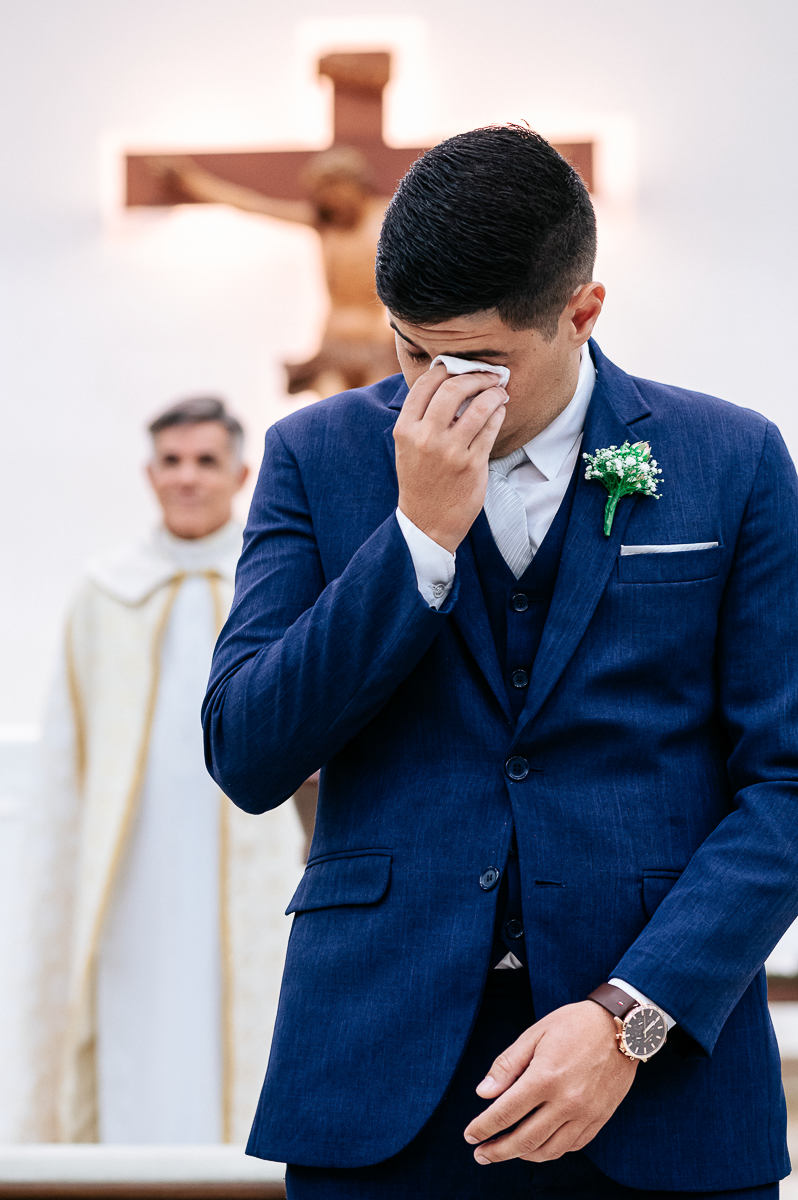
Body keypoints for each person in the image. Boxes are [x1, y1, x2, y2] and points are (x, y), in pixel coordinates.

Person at [202, 126, 798, 1197]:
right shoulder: (314, 456)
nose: (436, 386)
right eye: (410, 350)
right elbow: (248, 752)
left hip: (663, 1087)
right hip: (378, 1076)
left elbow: (788, 780)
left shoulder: (735, 461)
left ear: (582, 313)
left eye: (473, 360)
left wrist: (632, 1019)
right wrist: (418, 542)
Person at [27, 397, 304, 1144]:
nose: (187, 478)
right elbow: (68, 753)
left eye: (205, 461)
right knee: (135, 1028)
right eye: (171, 462)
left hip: (255, 860)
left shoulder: (277, 578)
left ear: (242, 473)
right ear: (149, 474)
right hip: (135, 869)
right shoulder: (106, 592)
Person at [150, 149, 399, 398]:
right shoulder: (324, 223)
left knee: (379, 416)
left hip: (377, 342)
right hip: (334, 340)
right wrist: (190, 179)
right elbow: (252, 204)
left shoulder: (389, 218)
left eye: (338, 191)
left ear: (358, 186)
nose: (333, 201)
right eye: (325, 195)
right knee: (330, 418)